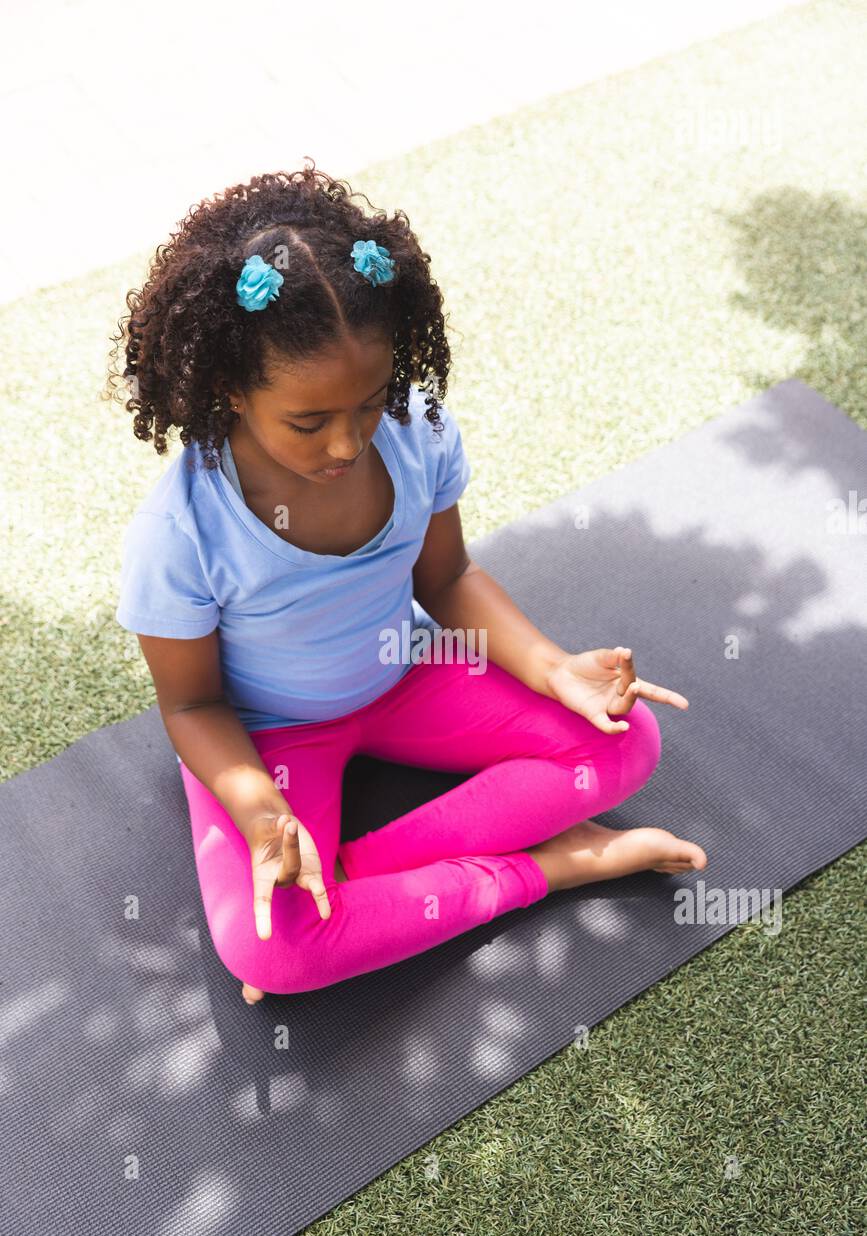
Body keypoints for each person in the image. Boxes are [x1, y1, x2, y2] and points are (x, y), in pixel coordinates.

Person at [109, 161, 707, 1003]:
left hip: (407, 672)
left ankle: (355, 879)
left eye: (371, 401)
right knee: (273, 955)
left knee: (623, 738)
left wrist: (550, 667)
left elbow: (448, 576)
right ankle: (549, 868)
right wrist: (258, 813)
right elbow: (193, 707)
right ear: (227, 390)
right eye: (308, 422)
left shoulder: (417, 432)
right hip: (270, 738)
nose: (348, 443)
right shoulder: (181, 533)